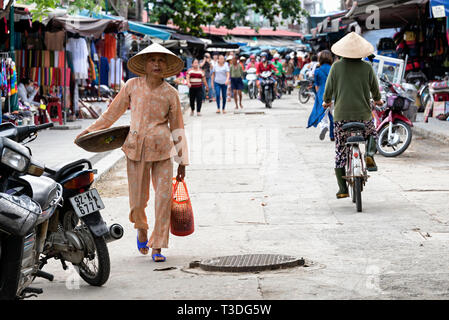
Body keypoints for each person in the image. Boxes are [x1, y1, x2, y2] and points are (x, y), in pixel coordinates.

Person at [75, 43, 189, 261]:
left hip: (163, 150)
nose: (157, 64)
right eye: (152, 60)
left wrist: (182, 160)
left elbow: (177, 128)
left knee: (163, 199)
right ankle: (141, 227)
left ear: (166, 66)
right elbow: (111, 114)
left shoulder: (171, 93)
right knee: (138, 201)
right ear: (145, 64)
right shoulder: (132, 86)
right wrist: (89, 132)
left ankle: (158, 246)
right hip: (135, 148)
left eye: (161, 60)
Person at [322, 32, 383, 199]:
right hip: (363, 115)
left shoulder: (336, 67)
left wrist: (326, 101)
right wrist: (377, 101)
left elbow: (328, 91)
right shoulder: (367, 67)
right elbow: (375, 91)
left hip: (341, 117)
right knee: (372, 133)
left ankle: (342, 189)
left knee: (340, 150)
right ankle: (369, 154)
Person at [306, 50, 334, 141]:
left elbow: (317, 85)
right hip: (334, 94)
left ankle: (324, 127)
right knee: (333, 115)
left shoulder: (317, 71)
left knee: (322, 113)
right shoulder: (334, 69)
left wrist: (318, 96)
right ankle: (332, 135)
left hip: (322, 94)